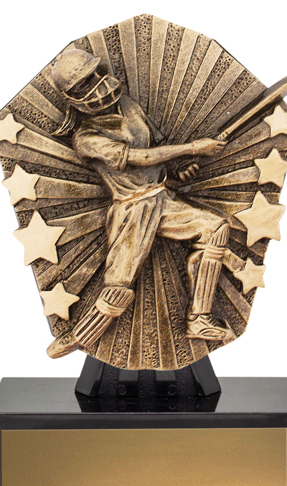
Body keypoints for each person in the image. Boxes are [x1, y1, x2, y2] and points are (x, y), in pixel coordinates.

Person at [47, 49, 232, 359]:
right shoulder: (86, 138)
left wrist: (177, 171)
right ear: (74, 98)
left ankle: (199, 319)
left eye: (95, 74)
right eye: (85, 83)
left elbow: (156, 148)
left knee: (215, 228)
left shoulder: (129, 105)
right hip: (132, 211)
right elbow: (140, 158)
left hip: (162, 198)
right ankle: (80, 338)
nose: (98, 84)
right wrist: (193, 148)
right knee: (118, 287)